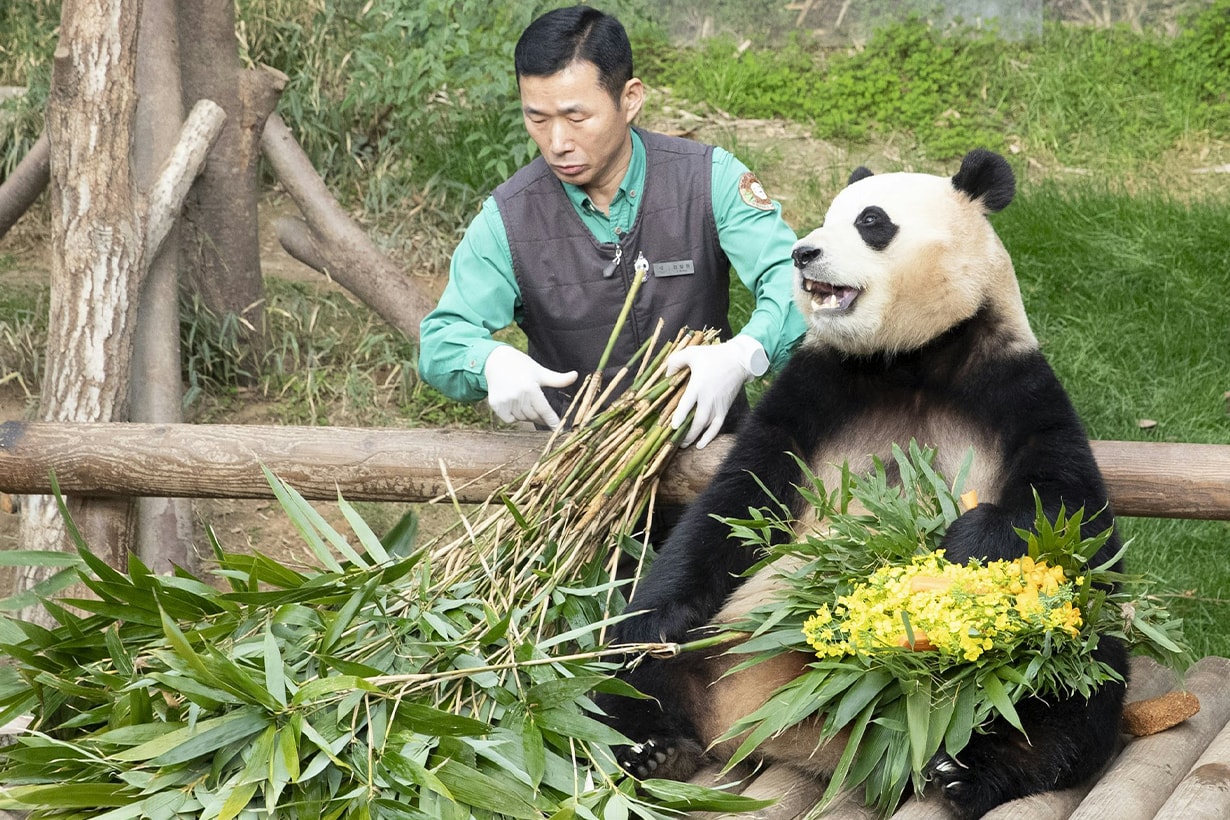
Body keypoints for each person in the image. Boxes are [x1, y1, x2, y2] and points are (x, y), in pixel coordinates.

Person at [418, 5, 806, 450]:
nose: (558, 143)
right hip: (579, 479)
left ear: (630, 98)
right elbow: (441, 340)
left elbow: (791, 279)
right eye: (537, 119)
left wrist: (745, 354)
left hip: (712, 462)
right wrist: (488, 361)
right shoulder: (508, 218)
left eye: (577, 117)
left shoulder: (707, 179)